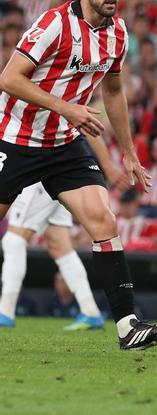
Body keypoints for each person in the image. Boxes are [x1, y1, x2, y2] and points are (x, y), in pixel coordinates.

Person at [0, 0, 157, 350]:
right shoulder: (53, 25)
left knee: (103, 221)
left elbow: (113, 92)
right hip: (15, 139)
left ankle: (128, 326)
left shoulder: (118, 32)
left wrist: (129, 152)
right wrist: (66, 107)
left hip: (63, 142)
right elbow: (9, 79)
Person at [0, 133, 122, 330]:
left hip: (35, 168)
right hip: (61, 170)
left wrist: (107, 163)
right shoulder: (66, 105)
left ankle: (5, 312)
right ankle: (90, 311)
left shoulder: (35, 104)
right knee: (60, 246)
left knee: (14, 239)